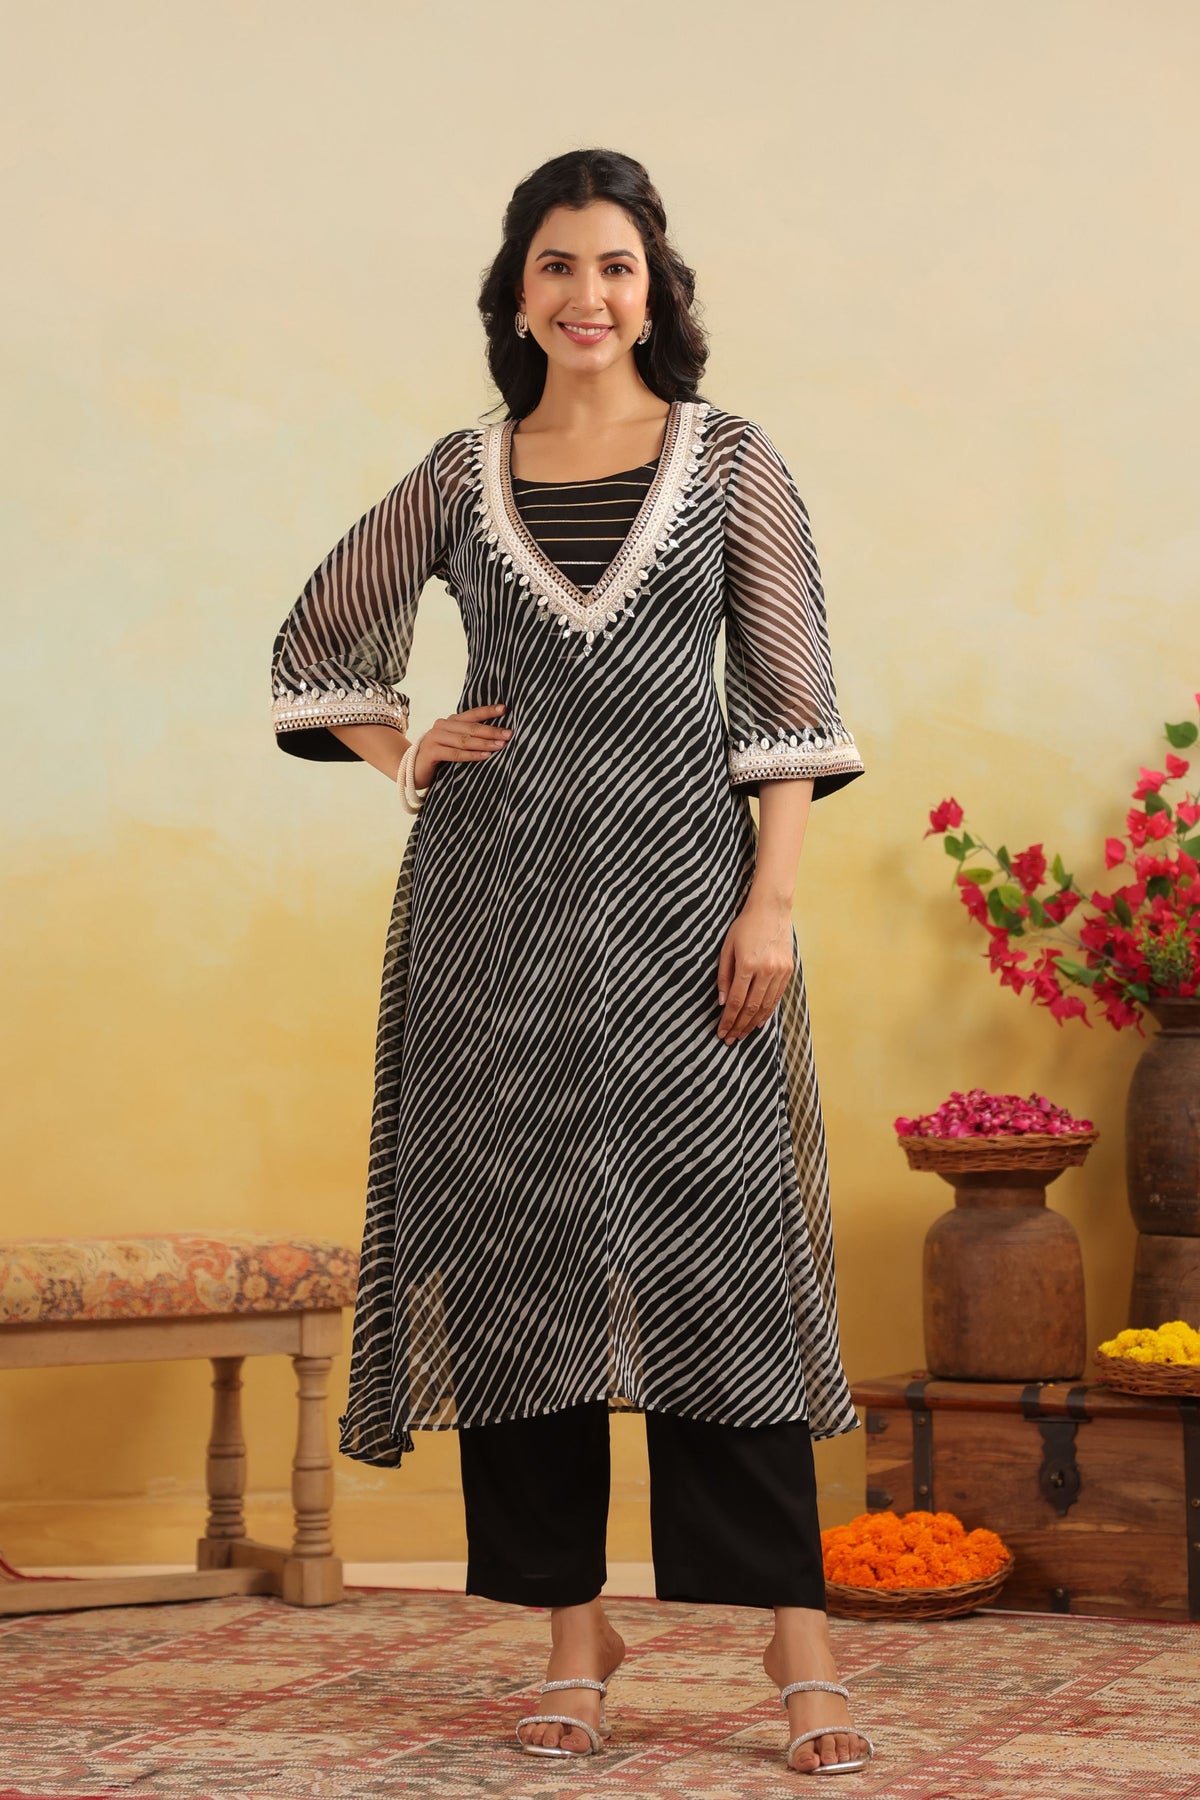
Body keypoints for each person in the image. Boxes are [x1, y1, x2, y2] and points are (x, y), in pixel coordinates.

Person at [269, 146, 873, 1777]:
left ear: (653, 292)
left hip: (691, 913)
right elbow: (317, 641)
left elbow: (790, 705)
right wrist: (402, 749)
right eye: (557, 265)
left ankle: (795, 1637)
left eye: (614, 265)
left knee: (720, 1258)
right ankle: (572, 1632)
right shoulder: (461, 474)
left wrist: (771, 903)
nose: (587, 294)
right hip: (497, 920)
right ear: (517, 294)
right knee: (522, 1255)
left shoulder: (730, 460)